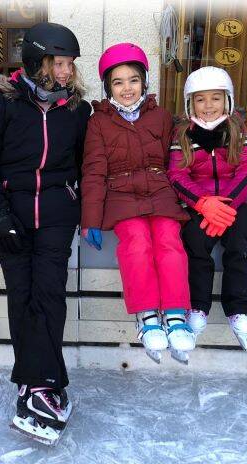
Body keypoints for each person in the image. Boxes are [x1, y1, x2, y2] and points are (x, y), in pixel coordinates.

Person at [0, 22, 91, 445]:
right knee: (22, 297)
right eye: (60, 63)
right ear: (37, 63)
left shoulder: (78, 110)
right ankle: (38, 386)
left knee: (49, 296)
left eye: (71, 64)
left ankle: (40, 384)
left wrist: (83, 209)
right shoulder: (3, 105)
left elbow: (83, 164)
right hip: (11, 215)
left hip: (57, 213)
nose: (67, 72)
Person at [80, 43, 192, 365]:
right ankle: (147, 315)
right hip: (121, 195)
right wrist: (91, 218)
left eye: (133, 80)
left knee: (169, 241)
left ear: (144, 81)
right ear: (107, 87)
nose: (126, 88)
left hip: (159, 190)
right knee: (137, 243)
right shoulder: (98, 122)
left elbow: (177, 160)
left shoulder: (161, 117)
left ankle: (174, 314)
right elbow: (94, 171)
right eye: (118, 82)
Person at [167, 66, 247, 352]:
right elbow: (177, 175)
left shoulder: (237, 130)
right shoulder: (183, 134)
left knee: (242, 239)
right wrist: (204, 204)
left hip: (236, 201)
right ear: (190, 103)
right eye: (200, 99)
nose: (208, 106)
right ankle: (197, 307)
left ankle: (239, 308)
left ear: (227, 100)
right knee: (195, 242)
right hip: (200, 204)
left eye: (216, 98)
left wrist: (227, 208)